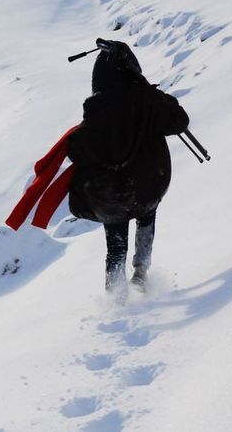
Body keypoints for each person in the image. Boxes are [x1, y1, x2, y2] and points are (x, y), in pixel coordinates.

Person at [67, 41, 189, 295]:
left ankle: (115, 301)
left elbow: (76, 152)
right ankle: (141, 272)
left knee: (115, 245)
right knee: (147, 214)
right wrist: (159, 97)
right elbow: (178, 121)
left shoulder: (93, 108)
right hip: (146, 186)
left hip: (107, 196)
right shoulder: (145, 98)